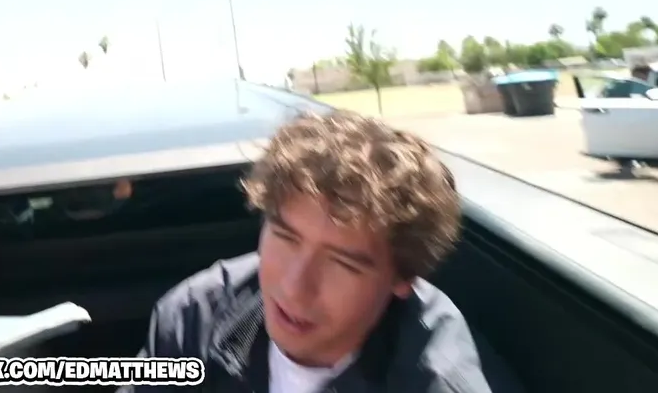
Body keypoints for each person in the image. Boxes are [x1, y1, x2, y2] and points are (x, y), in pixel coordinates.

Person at [122, 111, 521, 392]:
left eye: (342, 264)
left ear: (402, 278)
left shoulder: (438, 382)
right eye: (286, 238)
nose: (294, 287)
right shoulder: (195, 318)